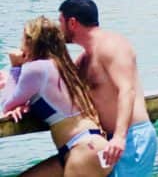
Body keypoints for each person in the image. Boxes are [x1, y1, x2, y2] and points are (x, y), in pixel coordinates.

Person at [1, 16, 113, 176]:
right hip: (86, 146)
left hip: (83, 149)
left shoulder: (35, 69)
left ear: (30, 41)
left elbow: (6, 105)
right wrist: (24, 105)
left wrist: (15, 67)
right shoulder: (63, 66)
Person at [58, 0, 157, 176]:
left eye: (60, 22)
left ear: (72, 22)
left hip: (130, 137)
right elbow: (58, 87)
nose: (59, 29)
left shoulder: (112, 45)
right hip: (106, 141)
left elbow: (126, 90)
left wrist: (119, 137)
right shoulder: (84, 59)